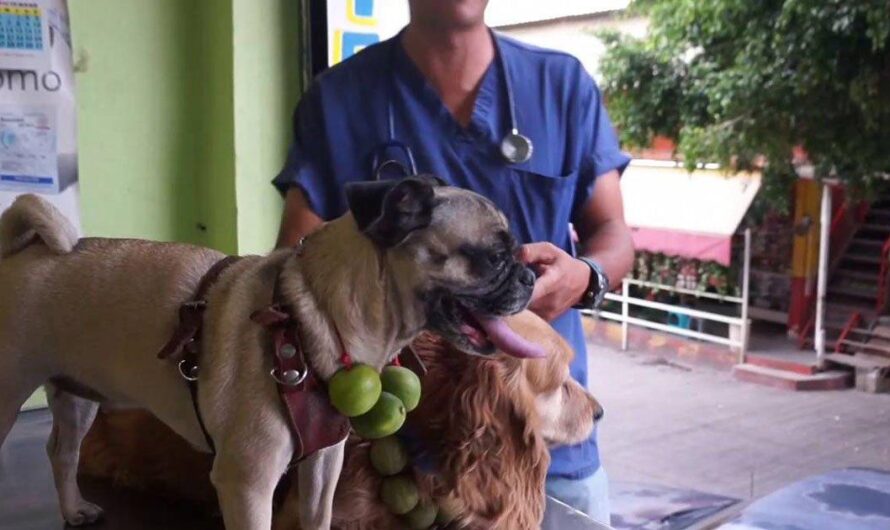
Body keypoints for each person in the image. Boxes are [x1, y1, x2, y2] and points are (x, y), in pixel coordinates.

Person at [273, 0, 633, 524]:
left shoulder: (562, 88)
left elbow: (614, 233)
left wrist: (588, 276)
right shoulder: (339, 101)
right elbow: (293, 264)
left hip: (547, 441)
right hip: (389, 456)